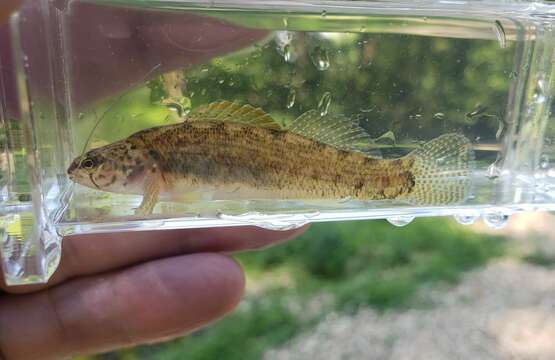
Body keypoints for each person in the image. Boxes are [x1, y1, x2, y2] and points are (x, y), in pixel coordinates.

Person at [0, 2, 305, 359]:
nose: (84, 173)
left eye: (93, 163)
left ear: (130, 161)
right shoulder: (146, 162)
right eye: (90, 163)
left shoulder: (148, 163)